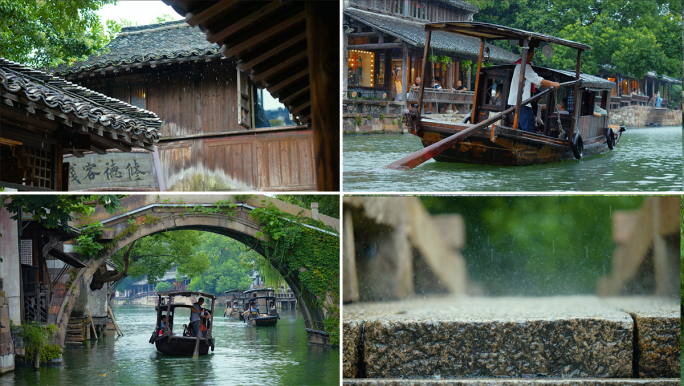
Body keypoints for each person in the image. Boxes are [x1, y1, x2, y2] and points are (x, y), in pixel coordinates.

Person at [508, 48, 560, 132]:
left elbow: (535, 83)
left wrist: (550, 84)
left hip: (520, 103)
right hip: (521, 103)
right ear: (530, 54)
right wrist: (553, 83)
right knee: (529, 128)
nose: (533, 55)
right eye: (532, 53)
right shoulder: (523, 66)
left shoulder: (522, 66)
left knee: (520, 128)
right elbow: (536, 80)